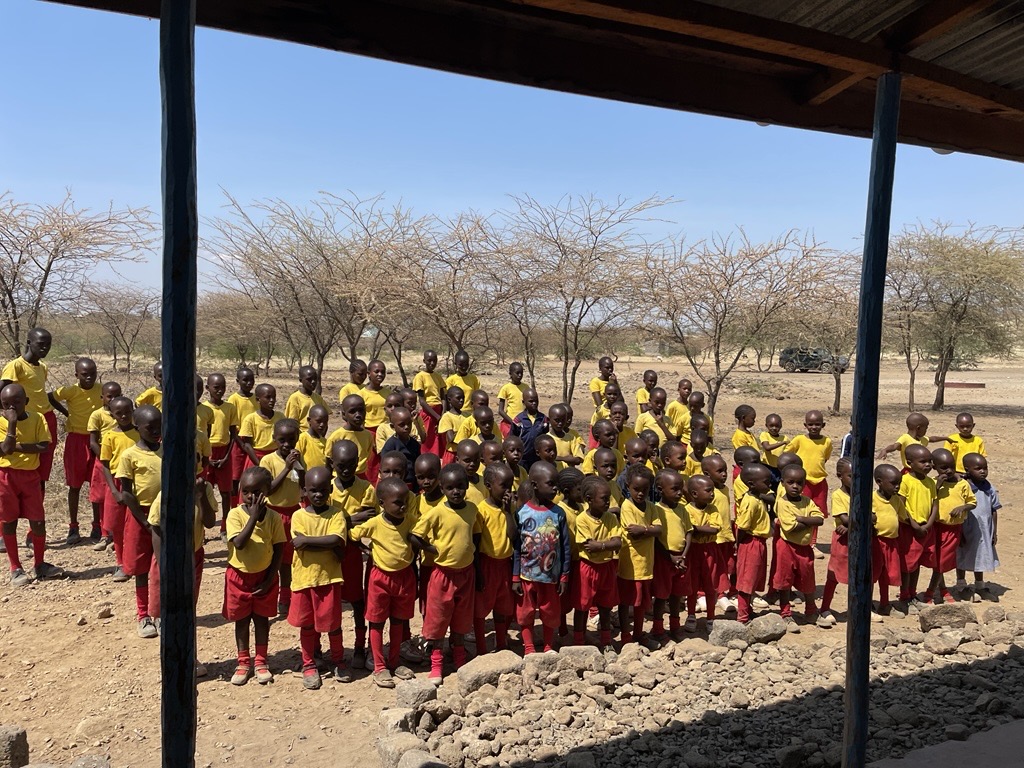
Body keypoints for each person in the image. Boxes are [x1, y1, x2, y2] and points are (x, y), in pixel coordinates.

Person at [411, 463, 480, 682]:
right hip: (443, 575)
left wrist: (474, 557)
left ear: (467, 486)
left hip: (466, 574)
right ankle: (437, 661)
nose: (456, 492)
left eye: (460, 487)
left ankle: (459, 656)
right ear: (442, 488)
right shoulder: (438, 512)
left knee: (461, 619)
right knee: (438, 619)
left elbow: (476, 533)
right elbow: (415, 535)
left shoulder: (472, 509)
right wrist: (433, 550)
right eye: (450, 488)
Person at [347, 475, 416, 687]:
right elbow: (352, 534)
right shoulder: (375, 523)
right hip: (380, 578)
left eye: (405, 501)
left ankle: (394, 662)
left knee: (398, 621)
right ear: (381, 504)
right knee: (376, 621)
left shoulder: (411, 521)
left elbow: (420, 536)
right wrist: (365, 549)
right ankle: (379, 666)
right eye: (397, 502)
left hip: (404, 577)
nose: (402, 506)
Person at [147, 474, 217, 674]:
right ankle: (172, 662)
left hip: (193, 558)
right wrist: (164, 567)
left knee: (188, 611)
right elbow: (156, 529)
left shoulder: (205, 489)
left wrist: (201, 496)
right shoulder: (166, 492)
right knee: (168, 613)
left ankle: (190, 659)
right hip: (168, 559)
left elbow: (210, 522)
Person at [288, 466, 348, 689]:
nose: (318, 495)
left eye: (323, 490)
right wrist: (327, 542)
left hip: (329, 578)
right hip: (305, 580)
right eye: (313, 491)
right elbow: (299, 544)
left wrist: (310, 541)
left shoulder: (336, 514)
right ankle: (309, 663)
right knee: (307, 625)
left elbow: (336, 540)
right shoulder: (298, 516)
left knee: (334, 624)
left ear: (330, 489)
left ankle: (339, 660)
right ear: (304, 491)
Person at [224, 467, 285, 685]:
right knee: (241, 621)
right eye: (246, 491)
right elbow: (239, 543)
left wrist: (270, 579)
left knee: (261, 620)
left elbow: (279, 549)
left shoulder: (274, 518)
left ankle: (261, 660)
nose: (251, 496)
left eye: (256, 492)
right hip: (239, 577)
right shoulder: (235, 515)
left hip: (264, 577)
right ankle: (243, 661)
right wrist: (252, 517)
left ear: (267, 491)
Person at [0, 383, 60, 586]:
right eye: (6, 404)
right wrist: (12, 424)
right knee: (9, 522)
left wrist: (15, 447)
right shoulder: (1, 422)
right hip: (6, 477)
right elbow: (4, 451)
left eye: (16, 402)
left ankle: (40, 564)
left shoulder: (37, 418)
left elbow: (43, 446)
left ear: (26, 402)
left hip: (30, 477)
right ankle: (15, 567)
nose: (11, 408)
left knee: (38, 521)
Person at [512, 461, 571, 654]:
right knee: (525, 613)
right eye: (550, 484)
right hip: (527, 576)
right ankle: (529, 647)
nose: (555, 488)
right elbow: (516, 548)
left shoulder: (558, 513)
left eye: (556, 484)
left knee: (550, 612)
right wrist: (515, 577)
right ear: (535, 485)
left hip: (550, 578)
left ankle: (548, 646)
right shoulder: (522, 513)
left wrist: (564, 575)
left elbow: (565, 547)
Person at [115, 405, 163, 638]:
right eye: (150, 427)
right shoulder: (129, 455)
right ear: (137, 427)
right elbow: (126, 493)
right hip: (140, 516)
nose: (156, 431)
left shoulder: (167, 451)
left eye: (159, 426)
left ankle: (160, 613)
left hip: (163, 516)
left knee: (162, 565)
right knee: (142, 567)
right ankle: (143, 615)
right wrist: (144, 521)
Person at [330, 439, 378, 670]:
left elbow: (369, 513)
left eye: (351, 464)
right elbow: (322, 520)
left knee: (357, 600)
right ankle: (334, 651)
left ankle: (360, 646)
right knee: (331, 602)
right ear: (333, 464)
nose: (346, 469)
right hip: (329, 553)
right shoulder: (326, 487)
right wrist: (349, 519)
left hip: (352, 552)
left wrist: (339, 520)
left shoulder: (365, 488)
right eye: (341, 465)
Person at [0, 329, 58, 503]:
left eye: (48, 345)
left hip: (46, 419)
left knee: (42, 467)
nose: (45, 348)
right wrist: (10, 416)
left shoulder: (43, 367)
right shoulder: (15, 366)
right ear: (28, 343)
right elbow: (2, 391)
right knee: (22, 463)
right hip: (27, 421)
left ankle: (37, 506)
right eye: (41, 344)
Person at [49, 357, 102, 544]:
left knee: (96, 484)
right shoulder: (70, 391)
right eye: (85, 374)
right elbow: (50, 397)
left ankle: (98, 525)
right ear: (76, 375)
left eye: (93, 374)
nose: (89, 378)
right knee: (75, 485)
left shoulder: (101, 390)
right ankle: (73, 526)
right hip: (75, 441)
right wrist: (66, 413)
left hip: (96, 440)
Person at [259, 418, 304, 615]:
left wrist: (299, 467)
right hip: (273, 514)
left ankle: (285, 597)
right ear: (274, 439)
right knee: (270, 557)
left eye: (291, 440)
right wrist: (286, 467)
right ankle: (269, 595)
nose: (287, 445)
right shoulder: (268, 461)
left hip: (293, 513)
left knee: (287, 559)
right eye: (282, 440)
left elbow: (303, 484)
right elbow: (268, 490)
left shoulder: (297, 459)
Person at [772, 464, 824, 632]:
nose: (795, 486)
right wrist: (808, 521)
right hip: (787, 547)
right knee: (785, 581)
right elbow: (790, 528)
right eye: (791, 482)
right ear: (782, 483)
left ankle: (811, 610)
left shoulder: (807, 501)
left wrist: (801, 519)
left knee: (808, 578)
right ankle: (786, 614)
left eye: (799, 483)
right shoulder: (782, 503)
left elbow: (820, 519)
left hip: (804, 548)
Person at [616, 464, 661, 647]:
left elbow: (659, 530)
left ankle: (639, 633)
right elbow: (632, 531)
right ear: (628, 487)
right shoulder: (627, 506)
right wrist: (648, 530)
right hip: (630, 564)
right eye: (636, 489)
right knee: (626, 601)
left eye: (644, 490)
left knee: (641, 603)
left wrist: (644, 529)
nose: (640, 494)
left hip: (646, 564)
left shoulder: (651, 507)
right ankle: (626, 635)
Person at [472, 462, 516, 654]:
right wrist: (478, 572)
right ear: (489, 486)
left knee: (503, 607)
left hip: (505, 564)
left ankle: (501, 644)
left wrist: (508, 512)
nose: (508, 490)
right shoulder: (481, 510)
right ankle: (481, 648)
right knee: (481, 609)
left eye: (510, 485)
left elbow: (513, 536)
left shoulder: (510, 509)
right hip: (487, 564)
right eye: (503, 486)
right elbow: (476, 543)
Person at [573, 475, 621, 650]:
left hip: (606, 566)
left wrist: (600, 545)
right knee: (583, 605)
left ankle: (606, 640)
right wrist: (607, 545)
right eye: (604, 499)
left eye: (608, 498)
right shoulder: (582, 520)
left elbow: (618, 542)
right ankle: (579, 641)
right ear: (589, 500)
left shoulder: (610, 518)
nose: (608, 502)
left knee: (606, 605)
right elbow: (588, 547)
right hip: (588, 567)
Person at [926, 448, 975, 604]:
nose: (949, 471)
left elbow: (972, 503)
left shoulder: (962, 484)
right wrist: (937, 487)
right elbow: (927, 501)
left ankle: (930, 591)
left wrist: (962, 507)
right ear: (934, 467)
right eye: (943, 468)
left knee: (942, 561)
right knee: (936, 560)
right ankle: (943, 589)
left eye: (951, 466)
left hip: (952, 529)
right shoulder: (933, 483)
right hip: (936, 527)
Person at [98, 396, 139, 581]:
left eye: (127, 412)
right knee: (117, 525)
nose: (124, 416)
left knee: (135, 523)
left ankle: (135, 562)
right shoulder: (109, 436)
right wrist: (114, 490)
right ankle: (121, 563)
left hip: (137, 481)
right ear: (112, 414)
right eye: (119, 413)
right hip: (116, 482)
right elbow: (105, 464)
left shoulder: (140, 432)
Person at [651, 469, 691, 642]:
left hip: (681, 558)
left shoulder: (682, 509)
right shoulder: (656, 510)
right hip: (664, 559)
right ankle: (658, 628)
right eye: (675, 489)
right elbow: (655, 539)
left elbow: (689, 532)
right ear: (660, 489)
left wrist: (683, 555)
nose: (680, 492)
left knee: (677, 595)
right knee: (661, 596)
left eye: (681, 488)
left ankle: (675, 626)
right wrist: (671, 557)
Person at [898, 444, 937, 612]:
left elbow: (935, 504)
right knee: (907, 565)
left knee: (918, 563)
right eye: (923, 461)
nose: (927, 465)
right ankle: (904, 596)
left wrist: (928, 524)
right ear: (909, 462)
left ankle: (912, 594)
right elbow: (901, 504)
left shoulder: (930, 482)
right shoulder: (905, 481)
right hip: (909, 528)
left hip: (926, 529)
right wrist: (913, 524)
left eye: (930, 461)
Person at [956, 453, 1000, 601]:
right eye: (978, 468)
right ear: (967, 469)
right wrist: (959, 532)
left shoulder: (988, 487)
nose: (983, 471)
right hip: (966, 528)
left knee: (981, 555)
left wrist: (994, 531)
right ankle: (961, 585)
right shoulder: (963, 486)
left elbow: (994, 509)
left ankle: (980, 586)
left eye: (985, 468)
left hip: (983, 529)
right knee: (962, 554)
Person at [786, 410, 832, 552]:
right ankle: (799, 539)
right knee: (802, 510)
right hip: (803, 482)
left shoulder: (827, 442)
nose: (814, 427)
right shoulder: (799, 440)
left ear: (823, 425)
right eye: (810, 424)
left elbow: (825, 458)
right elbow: (787, 454)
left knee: (816, 512)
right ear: (805, 425)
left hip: (820, 482)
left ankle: (813, 543)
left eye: (817, 424)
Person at [734, 463, 773, 625]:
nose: (769, 485)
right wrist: (738, 545)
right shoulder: (750, 501)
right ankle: (742, 617)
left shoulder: (758, 498)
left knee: (753, 577)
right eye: (766, 482)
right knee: (746, 580)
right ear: (751, 484)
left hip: (759, 543)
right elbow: (742, 527)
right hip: (751, 543)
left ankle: (747, 611)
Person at [683, 474, 721, 631]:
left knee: (710, 585)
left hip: (709, 550)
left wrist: (696, 528)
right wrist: (698, 529)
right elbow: (687, 529)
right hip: (693, 551)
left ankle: (711, 617)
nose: (712, 494)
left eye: (712, 490)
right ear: (694, 494)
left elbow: (714, 529)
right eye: (708, 491)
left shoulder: (713, 509)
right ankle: (691, 615)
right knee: (691, 585)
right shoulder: (686, 510)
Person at [88, 382, 123, 551]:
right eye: (110, 396)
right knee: (102, 499)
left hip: (121, 463)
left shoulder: (124, 413)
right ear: (102, 398)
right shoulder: (97, 415)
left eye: (118, 395)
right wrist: (105, 458)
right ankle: (104, 534)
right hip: (104, 462)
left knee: (119, 498)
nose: (114, 399)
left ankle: (119, 534)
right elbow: (93, 442)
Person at [818, 458, 852, 627]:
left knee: (860, 575)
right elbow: (843, 519)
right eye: (851, 476)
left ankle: (860, 607)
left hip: (858, 539)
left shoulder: (864, 493)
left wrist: (850, 527)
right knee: (834, 574)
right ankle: (824, 608)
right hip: (842, 542)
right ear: (840, 476)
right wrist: (852, 525)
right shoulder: (838, 495)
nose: (855, 480)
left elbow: (873, 517)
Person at [203, 373, 238, 529]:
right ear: (207, 388)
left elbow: (233, 434)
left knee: (226, 493)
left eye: (222, 387)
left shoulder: (230, 408)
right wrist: (206, 457)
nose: (220, 391)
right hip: (207, 452)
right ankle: (203, 526)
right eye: (216, 387)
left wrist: (226, 456)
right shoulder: (203, 408)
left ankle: (225, 526)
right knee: (205, 492)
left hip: (224, 453)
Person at [703, 454, 736, 616]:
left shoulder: (725, 489)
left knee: (724, 566)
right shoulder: (707, 493)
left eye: (726, 471)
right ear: (707, 474)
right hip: (713, 537)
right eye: (720, 471)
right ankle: (704, 594)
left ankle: (722, 593)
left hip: (725, 535)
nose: (724, 474)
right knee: (711, 567)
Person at [870, 464, 906, 616]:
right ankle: (867, 605)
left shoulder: (896, 500)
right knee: (872, 575)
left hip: (892, 542)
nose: (897, 487)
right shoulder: (871, 498)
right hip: (876, 542)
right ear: (879, 482)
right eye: (893, 483)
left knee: (886, 575)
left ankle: (885, 604)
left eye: (899, 483)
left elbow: (904, 517)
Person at [325, 395, 374, 480]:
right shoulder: (336, 437)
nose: (358, 415)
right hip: (341, 477)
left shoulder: (368, 436)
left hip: (361, 477)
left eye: (361, 410)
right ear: (344, 414)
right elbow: (329, 462)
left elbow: (366, 457)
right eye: (352, 411)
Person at [228, 367, 257, 504]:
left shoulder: (256, 398)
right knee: (235, 477)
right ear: (238, 381)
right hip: (238, 441)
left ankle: (249, 503)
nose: (249, 383)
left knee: (252, 475)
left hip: (252, 442)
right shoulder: (233, 399)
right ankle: (234, 506)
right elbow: (232, 426)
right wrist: (241, 443)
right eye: (245, 380)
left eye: (251, 380)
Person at [238, 384, 284, 473]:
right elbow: (247, 445)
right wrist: (259, 464)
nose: (272, 400)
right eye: (268, 397)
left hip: (275, 457)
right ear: (257, 400)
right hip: (256, 458)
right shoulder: (250, 419)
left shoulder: (280, 417)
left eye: (274, 397)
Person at [359, 360, 391, 483]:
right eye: (376, 371)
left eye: (383, 372)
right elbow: (360, 416)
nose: (380, 374)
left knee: (385, 461)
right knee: (371, 463)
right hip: (369, 432)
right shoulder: (362, 394)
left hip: (385, 431)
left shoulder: (387, 393)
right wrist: (367, 436)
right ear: (368, 373)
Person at [413, 350, 446, 456]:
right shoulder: (420, 377)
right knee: (428, 441)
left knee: (439, 439)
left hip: (439, 411)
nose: (432, 363)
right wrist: (436, 416)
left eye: (434, 361)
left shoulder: (438, 376)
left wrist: (443, 414)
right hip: (429, 412)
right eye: (429, 360)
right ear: (424, 361)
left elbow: (443, 396)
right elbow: (422, 401)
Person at [381, 407, 421, 487]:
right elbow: (385, 466)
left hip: (412, 483)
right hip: (394, 483)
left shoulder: (414, 444)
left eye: (409, 423)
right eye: (402, 425)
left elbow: (417, 464)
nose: (406, 427)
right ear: (393, 427)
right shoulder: (390, 445)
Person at [512, 388, 548, 468]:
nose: (534, 403)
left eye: (536, 401)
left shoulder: (543, 419)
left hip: (538, 458)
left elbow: (546, 436)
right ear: (523, 402)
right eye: (531, 401)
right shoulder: (518, 420)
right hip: (522, 458)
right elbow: (513, 437)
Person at [284, 365, 327, 431]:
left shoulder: (318, 398)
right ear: (301, 380)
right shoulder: (295, 398)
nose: (313, 382)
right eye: (309, 379)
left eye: (315, 378)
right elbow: (292, 422)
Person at [445, 350, 481, 417]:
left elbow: (477, 398)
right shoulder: (450, 381)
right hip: (456, 414)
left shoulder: (474, 379)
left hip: (470, 414)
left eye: (466, 364)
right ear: (455, 363)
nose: (464, 367)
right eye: (461, 365)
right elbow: (448, 400)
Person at [497, 362, 528, 438]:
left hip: (523, 422)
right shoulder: (506, 388)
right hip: (509, 423)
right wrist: (512, 422)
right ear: (510, 374)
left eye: (521, 373)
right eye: (517, 373)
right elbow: (500, 410)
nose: (519, 375)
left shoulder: (526, 387)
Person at [588, 381, 621, 450]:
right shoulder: (600, 410)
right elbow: (594, 426)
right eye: (609, 394)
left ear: (618, 395)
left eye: (615, 394)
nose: (612, 396)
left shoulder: (619, 409)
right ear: (604, 394)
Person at [296, 404, 328, 472]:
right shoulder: (302, 438)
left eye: (325, 422)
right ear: (309, 420)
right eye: (318, 421)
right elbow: (296, 460)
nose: (322, 425)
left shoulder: (325, 442)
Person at [438, 387, 465, 466]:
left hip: (465, 453)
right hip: (452, 454)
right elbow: (451, 438)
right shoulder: (447, 417)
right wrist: (466, 437)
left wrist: (456, 433)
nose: (461, 400)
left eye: (463, 398)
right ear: (449, 400)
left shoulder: (467, 416)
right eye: (458, 398)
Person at [455, 439, 487, 506]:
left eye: (476, 460)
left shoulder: (484, 481)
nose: (472, 464)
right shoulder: (456, 487)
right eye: (467, 460)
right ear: (457, 460)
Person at [759, 414, 788, 482]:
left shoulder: (784, 438)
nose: (774, 428)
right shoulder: (765, 435)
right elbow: (767, 447)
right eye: (771, 426)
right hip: (767, 467)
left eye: (777, 426)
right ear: (766, 426)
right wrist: (782, 443)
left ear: (781, 426)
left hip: (779, 468)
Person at [666, 379, 693, 449]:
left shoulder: (691, 406)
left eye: (689, 389)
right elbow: (666, 421)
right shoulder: (673, 406)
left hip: (685, 438)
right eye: (684, 389)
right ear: (679, 390)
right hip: (674, 436)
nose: (687, 391)